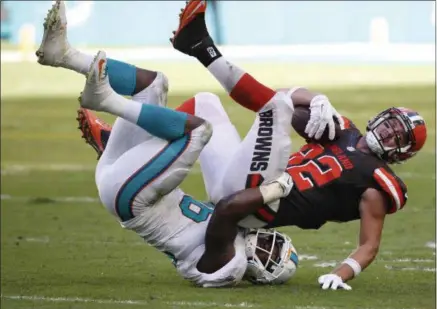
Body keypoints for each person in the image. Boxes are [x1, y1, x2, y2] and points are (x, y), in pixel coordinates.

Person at [36, 1, 299, 287]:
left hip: (129, 197)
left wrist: (276, 188)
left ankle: (107, 101)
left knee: (198, 132)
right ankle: (64, 55)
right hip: (128, 179)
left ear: (261, 274)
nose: (267, 244)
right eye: (274, 244)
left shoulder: (229, 268)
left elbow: (226, 210)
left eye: (270, 255)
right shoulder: (235, 240)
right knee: (159, 87)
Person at [169, 0, 428, 291]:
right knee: (204, 103)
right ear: (381, 116)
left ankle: (202, 47)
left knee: (275, 108)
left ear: (401, 153)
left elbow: (369, 245)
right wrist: (315, 97)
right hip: (238, 186)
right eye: (390, 124)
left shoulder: (376, 182)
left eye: (398, 137)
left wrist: (340, 274)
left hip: (262, 203)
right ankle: (120, 139)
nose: (389, 133)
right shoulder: (342, 131)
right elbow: (281, 97)